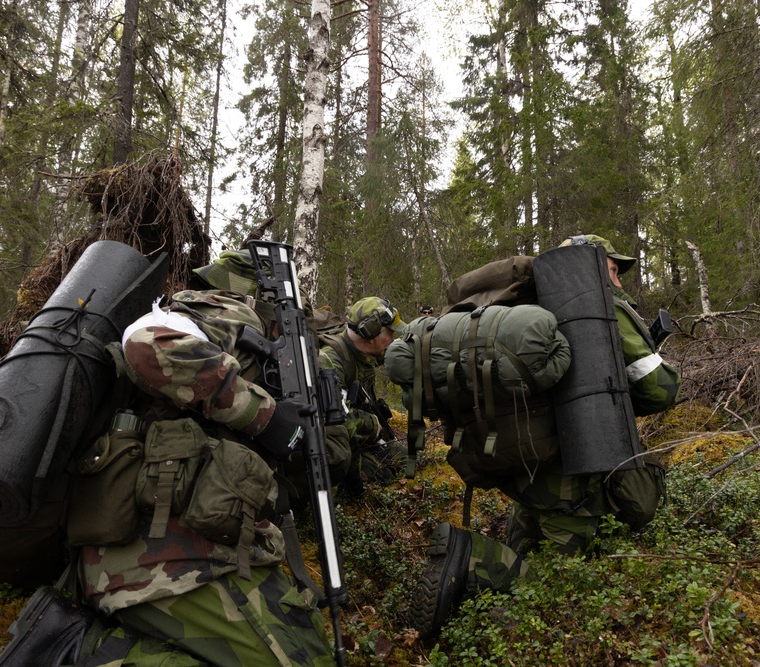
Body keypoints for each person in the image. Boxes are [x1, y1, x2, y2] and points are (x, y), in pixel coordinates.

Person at [74, 250, 342, 666]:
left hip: (188, 547)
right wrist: (267, 417)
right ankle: (75, 651)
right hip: (162, 556)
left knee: (309, 648)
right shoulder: (219, 310)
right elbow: (148, 345)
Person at [410, 234, 681, 638]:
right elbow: (659, 389)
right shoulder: (601, 309)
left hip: (519, 458)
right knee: (561, 587)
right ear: (590, 266)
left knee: (534, 529)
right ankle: (469, 557)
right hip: (569, 471)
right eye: (611, 269)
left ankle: (499, 573)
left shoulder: (518, 306)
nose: (618, 281)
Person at [317, 297, 409, 498]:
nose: (393, 339)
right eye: (390, 333)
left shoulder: (368, 349)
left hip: (365, 437)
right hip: (339, 442)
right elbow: (337, 418)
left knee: (407, 461)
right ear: (371, 333)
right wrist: (371, 423)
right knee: (382, 476)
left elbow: (401, 349)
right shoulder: (330, 361)